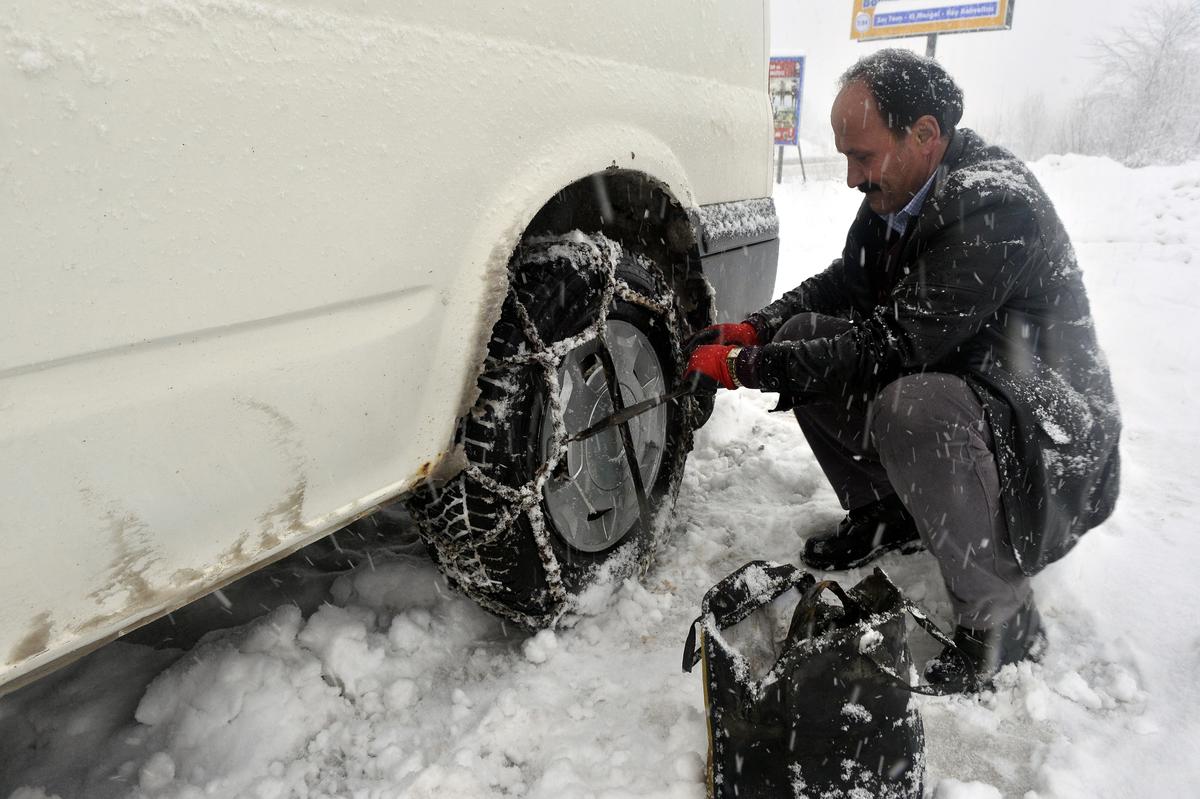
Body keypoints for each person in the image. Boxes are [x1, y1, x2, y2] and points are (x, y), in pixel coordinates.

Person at [683, 49, 1121, 692]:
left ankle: (1002, 620)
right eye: (845, 157)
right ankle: (889, 512)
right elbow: (846, 283)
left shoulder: (995, 206)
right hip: (979, 395)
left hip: (1049, 440)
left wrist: (745, 367)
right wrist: (761, 327)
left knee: (913, 407)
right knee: (808, 339)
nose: (851, 177)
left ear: (924, 134)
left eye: (862, 156)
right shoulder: (900, 192)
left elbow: (891, 345)